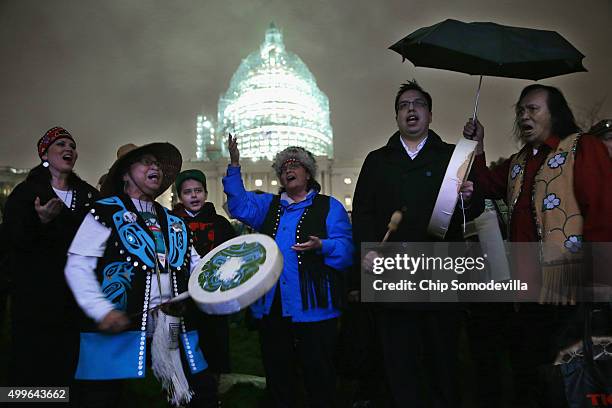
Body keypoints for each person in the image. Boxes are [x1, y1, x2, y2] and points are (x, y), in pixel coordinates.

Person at [463, 84, 612, 407]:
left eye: (533, 109)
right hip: (526, 292)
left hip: (570, 292)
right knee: (529, 375)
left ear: (554, 113)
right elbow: (487, 184)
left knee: (571, 378)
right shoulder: (518, 161)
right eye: (520, 110)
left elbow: (602, 212)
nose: (524, 116)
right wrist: (477, 146)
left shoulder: (581, 148)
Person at [351, 80, 482, 408]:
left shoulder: (452, 158)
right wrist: (367, 251)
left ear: (430, 114)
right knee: (398, 359)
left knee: (442, 358)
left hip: (438, 272)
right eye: (404, 105)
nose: (411, 109)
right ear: (397, 116)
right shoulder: (378, 160)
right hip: (393, 272)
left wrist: (470, 195)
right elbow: (363, 212)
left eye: (418, 104)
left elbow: (473, 213)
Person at [64, 143, 213, 407]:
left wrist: (226, 283)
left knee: (193, 395)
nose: (154, 167)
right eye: (145, 162)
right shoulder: (105, 211)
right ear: (124, 174)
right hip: (119, 327)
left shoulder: (175, 221)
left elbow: (197, 266)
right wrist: (101, 311)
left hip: (172, 327)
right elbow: (78, 265)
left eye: (157, 163)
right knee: (107, 398)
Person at [223, 136, 353, 408]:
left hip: (314, 306)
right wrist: (235, 165)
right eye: (283, 168)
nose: (288, 170)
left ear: (308, 172)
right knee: (278, 373)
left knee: (318, 373)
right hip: (273, 305)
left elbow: (346, 250)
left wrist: (323, 245)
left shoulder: (330, 206)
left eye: (294, 165)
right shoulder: (267, 206)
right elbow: (238, 205)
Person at [3, 127, 98, 391]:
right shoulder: (25, 195)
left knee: (68, 367)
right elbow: (13, 241)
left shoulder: (88, 196)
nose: (69, 149)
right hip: (37, 300)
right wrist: (41, 223)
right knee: (33, 368)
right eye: (60, 144)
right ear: (44, 153)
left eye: (72, 145)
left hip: (74, 299)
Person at [173, 169, 237, 406]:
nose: (194, 196)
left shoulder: (219, 223)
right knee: (185, 344)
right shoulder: (173, 223)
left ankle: (213, 390)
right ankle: (184, 391)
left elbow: (231, 254)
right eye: (187, 192)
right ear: (180, 196)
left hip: (214, 296)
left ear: (206, 193)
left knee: (214, 342)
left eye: (198, 190)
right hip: (184, 298)